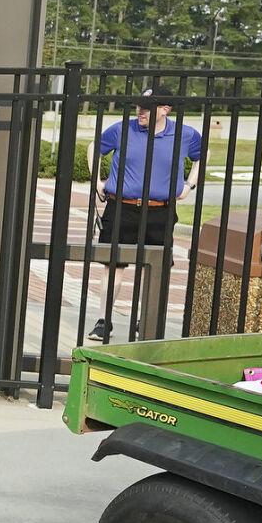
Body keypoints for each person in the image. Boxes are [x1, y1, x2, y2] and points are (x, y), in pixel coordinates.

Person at [88, 85, 203, 343]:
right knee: (112, 265)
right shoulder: (122, 129)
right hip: (121, 208)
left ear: (164, 109)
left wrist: (189, 185)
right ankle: (103, 321)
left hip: (160, 211)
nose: (140, 111)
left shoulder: (184, 134)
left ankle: (145, 321)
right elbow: (95, 146)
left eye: (147, 108)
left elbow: (201, 155)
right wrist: (97, 180)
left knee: (155, 268)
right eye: (139, 106)